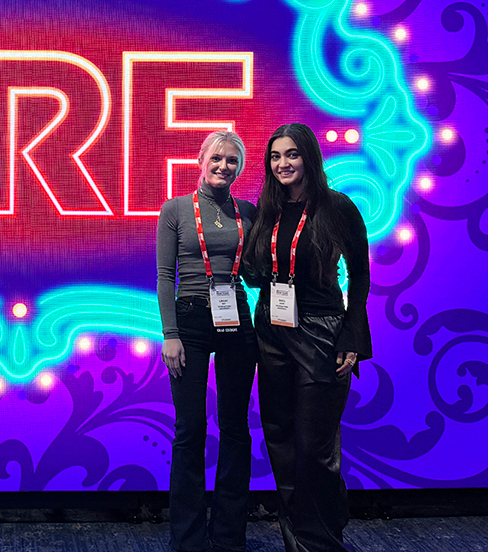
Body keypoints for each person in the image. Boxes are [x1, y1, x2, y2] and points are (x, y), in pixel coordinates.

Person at [243, 123, 372, 552]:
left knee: (316, 447)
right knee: (279, 437)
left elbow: (360, 275)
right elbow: (257, 269)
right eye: (276, 156)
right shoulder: (267, 209)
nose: (283, 163)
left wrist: (353, 336)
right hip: (272, 330)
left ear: (309, 158)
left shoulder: (338, 207)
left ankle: (325, 539)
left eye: (292, 154)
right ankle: (296, 541)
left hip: (321, 330)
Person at [158, 130, 259, 552]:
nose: (223, 167)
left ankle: (229, 534)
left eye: (232, 161)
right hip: (191, 321)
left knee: (235, 429)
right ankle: (188, 537)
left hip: (236, 315)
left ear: (239, 167)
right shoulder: (176, 210)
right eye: (216, 159)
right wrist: (170, 334)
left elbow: (254, 272)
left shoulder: (249, 211)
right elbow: (166, 276)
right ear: (201, 160)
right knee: (190, 430)